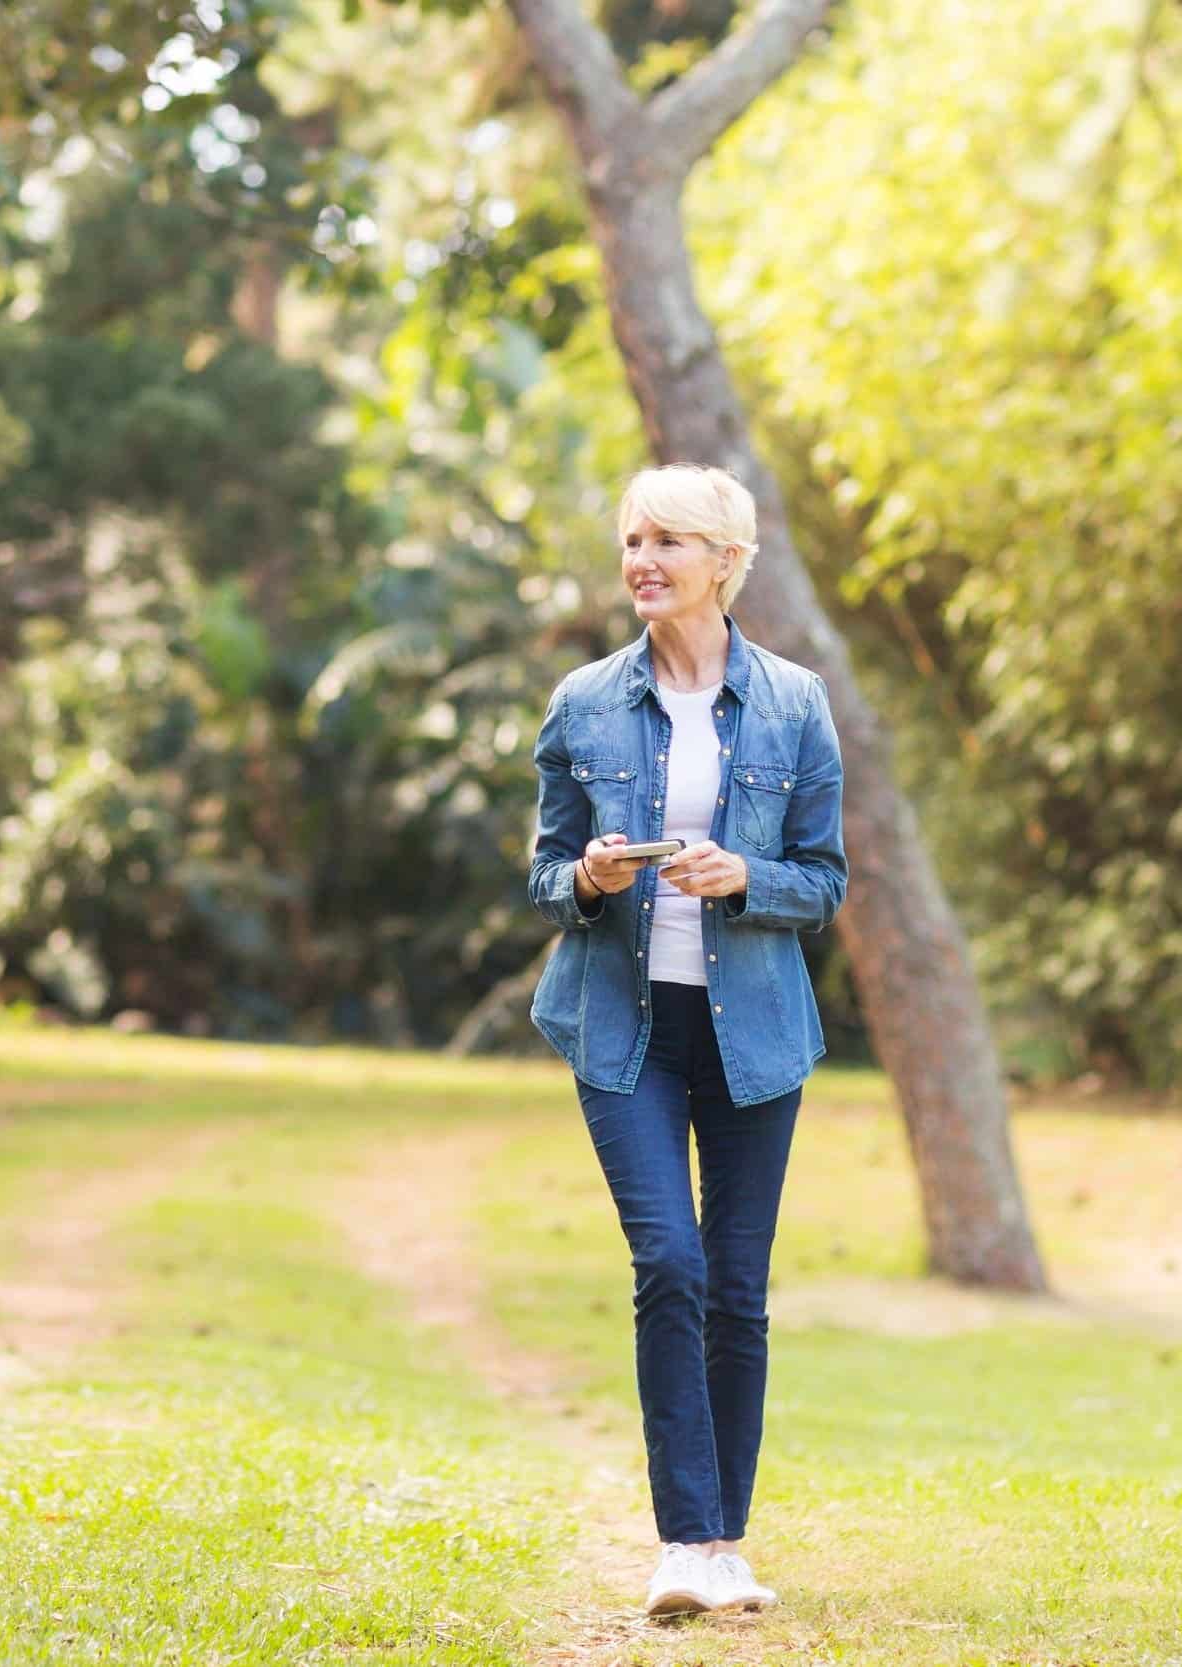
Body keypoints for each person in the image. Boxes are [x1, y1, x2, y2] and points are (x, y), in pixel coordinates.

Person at [524, 463, 849, 1617]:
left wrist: (745, 873)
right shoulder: (583, 702)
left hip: (754, 1033)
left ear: (725, 559)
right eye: (630, 540)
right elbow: (544, 871)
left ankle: (725, 1545)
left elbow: (824, 880)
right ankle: (680, 1543)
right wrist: (590, 876)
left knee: (737, 1286)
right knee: (669, 1261)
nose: (642, 560)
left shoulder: (797, 704)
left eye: (667, 540)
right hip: (625, 1032)